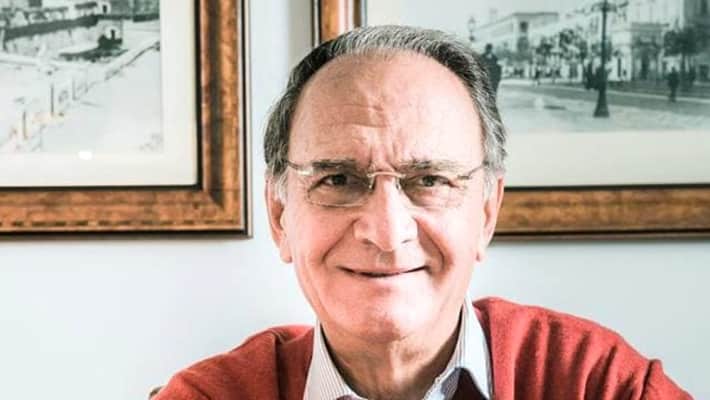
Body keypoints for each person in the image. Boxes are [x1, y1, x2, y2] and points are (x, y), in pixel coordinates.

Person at [153, 26, 692, 400]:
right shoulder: (211, 396)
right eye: (338, 180)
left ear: (486, 212)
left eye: (430, 181)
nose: (387, 232)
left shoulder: (597, 384)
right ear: (279, 215)